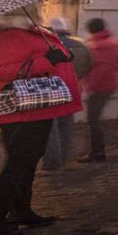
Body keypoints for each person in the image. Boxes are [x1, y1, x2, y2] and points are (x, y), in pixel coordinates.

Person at [0, 6, 82, 235]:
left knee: (28, 161)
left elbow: (48, 57)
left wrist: (63, 55)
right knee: (17, 164)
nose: (41, 5)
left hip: (39, 106)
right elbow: (4, 71)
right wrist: (46, 60)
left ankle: (21, 210)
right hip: (20, 109)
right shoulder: (9, 35)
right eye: (37, 3)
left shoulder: (32, 31)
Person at [41, 17, 91, 171]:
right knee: (66, 124)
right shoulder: (81, 46)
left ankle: (52, 162)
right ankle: (63, 157)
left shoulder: (47, 46)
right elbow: (89, 66)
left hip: (53, 89)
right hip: (74, 88)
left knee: (51, 127)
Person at [77, 17, 118, 163]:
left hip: (97, 87)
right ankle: (97, 150)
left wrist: (89, 85)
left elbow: (87, 67)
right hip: (110, 85)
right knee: (95, 118)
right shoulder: (115, 43)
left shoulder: (92, 46)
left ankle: (97, 151)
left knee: (92, 119)